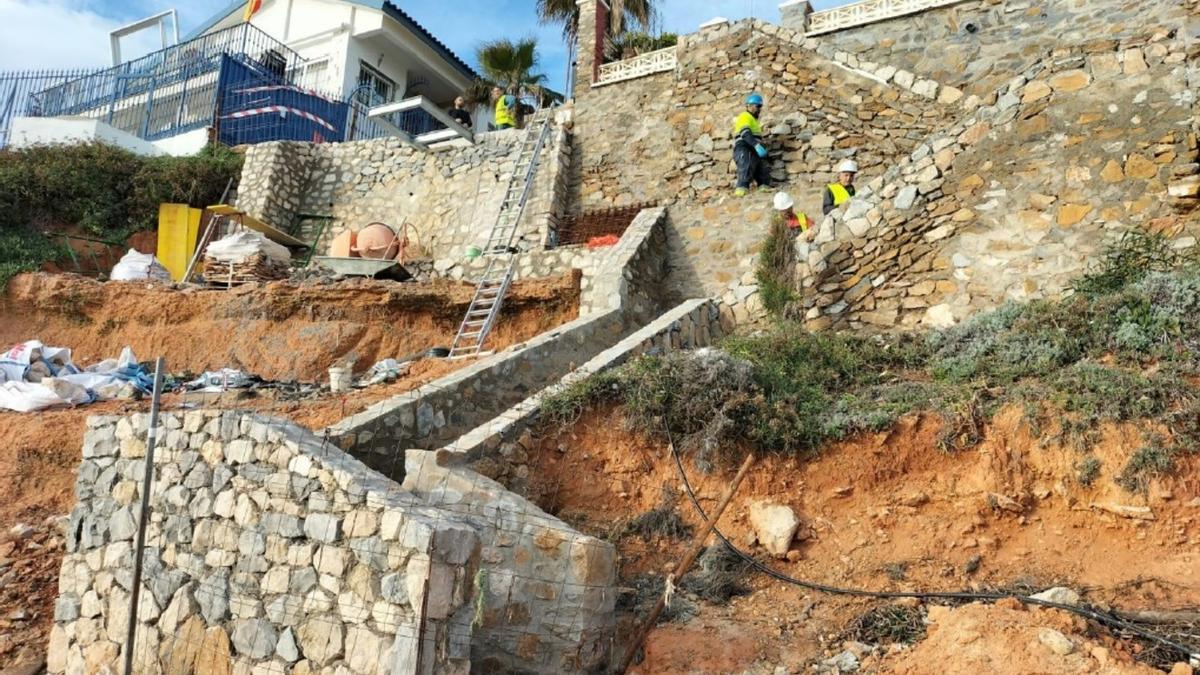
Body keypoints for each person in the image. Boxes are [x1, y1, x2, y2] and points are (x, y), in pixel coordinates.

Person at [733, 93, 771, 197]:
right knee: (746, 165)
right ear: (749, 106)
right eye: (757, 106)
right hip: (745, 146)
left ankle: (763, 185)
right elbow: (745, 133)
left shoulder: (753, 120)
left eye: (760, 107)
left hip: (752, 146)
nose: (759, 109)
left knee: (760, 166)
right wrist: (756, 145)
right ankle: (741, 188)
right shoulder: (745, 116)